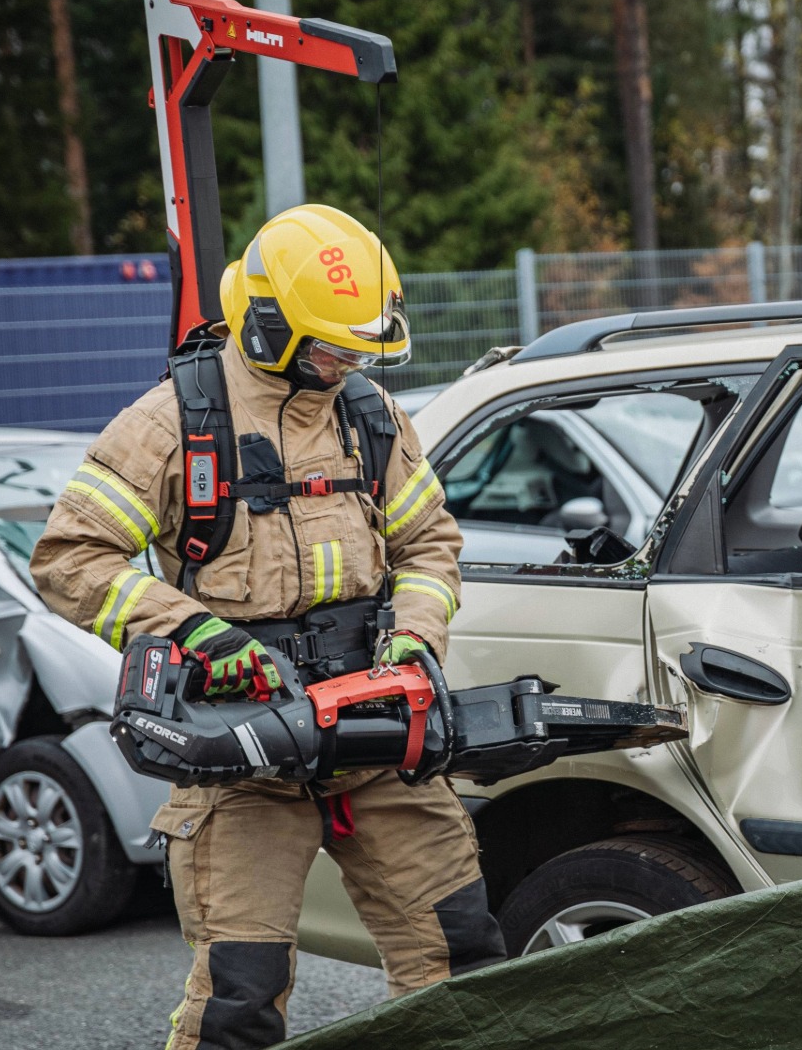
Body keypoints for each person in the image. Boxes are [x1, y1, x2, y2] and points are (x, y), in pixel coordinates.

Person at [30, 205, 502, 1049]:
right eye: (331, 347)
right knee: (237, 1003)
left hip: (376, 725)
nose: (349, 363)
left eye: (361, 348)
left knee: (464, 959)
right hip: (241, 742)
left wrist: (415, 640)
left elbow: (429, 543)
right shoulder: (171, 423)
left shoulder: (371, 418)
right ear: (270, 327)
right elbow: (70, 560)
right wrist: (191, 634)